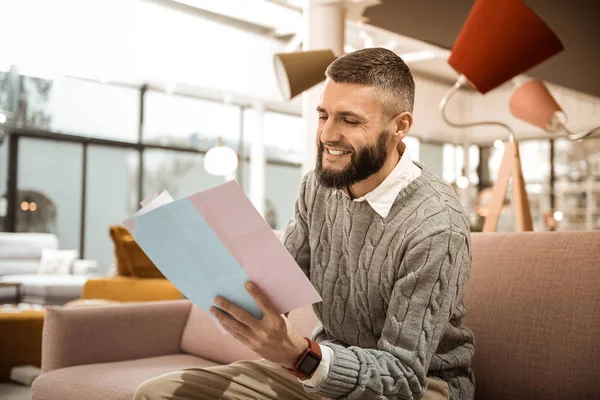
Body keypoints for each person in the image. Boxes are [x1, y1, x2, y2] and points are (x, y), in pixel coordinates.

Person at [134, 47, 475, 400]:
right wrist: (216, 271)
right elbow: (278, 283)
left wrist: (300, 355)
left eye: (350, 120)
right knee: (160, 393)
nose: (327, 135)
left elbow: (403, 377)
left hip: (418, 387)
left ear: (399, 127)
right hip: (326, 372)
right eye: (323, 115)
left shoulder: (436, 225)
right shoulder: (319, 185)